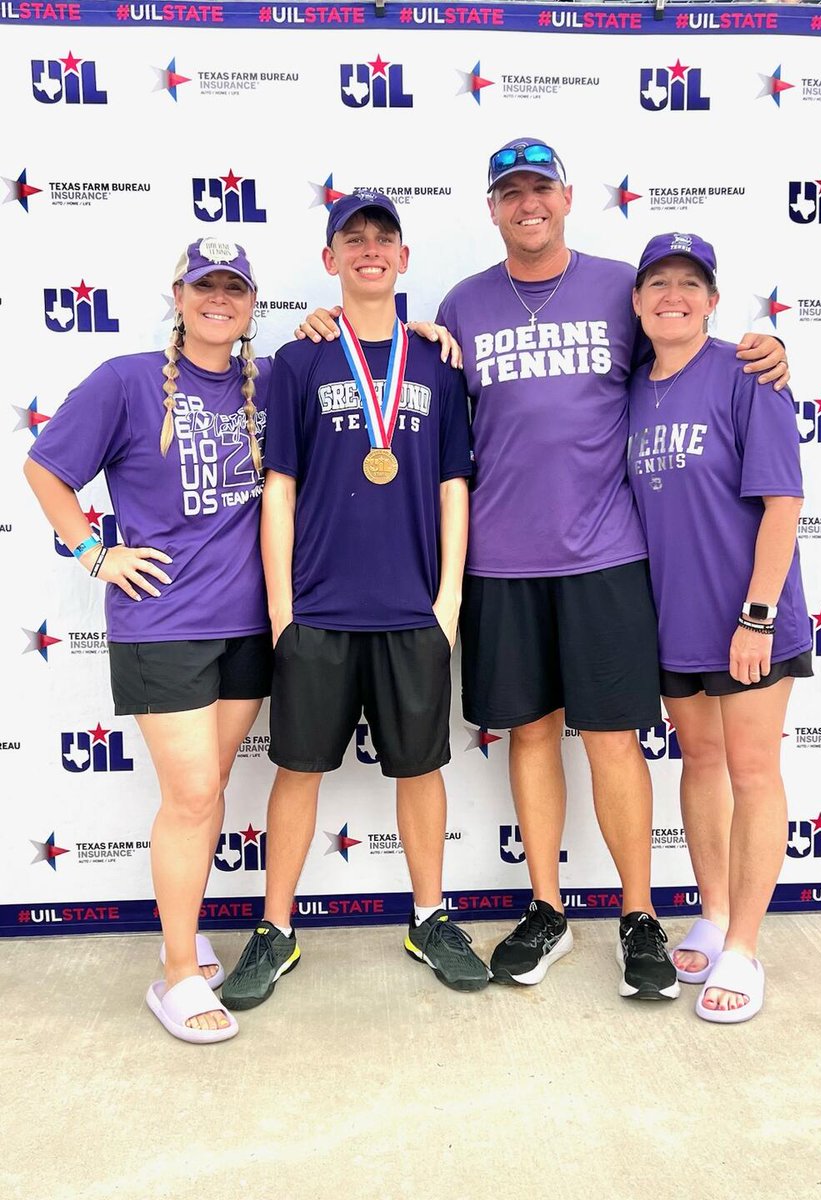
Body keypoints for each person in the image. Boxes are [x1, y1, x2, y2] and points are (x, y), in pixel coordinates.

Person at [297, 139, 789, 1002]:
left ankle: (638, 915)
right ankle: (549, 909)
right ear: (492, 209)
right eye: (510, 193)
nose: (527, 204)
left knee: (609, 738)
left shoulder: (620, 292)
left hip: (606, 554)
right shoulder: (461, 304)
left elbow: (688, 357)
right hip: (500, 561)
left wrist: (769, 352)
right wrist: (318, 326)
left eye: (541, 189)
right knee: (531, 734)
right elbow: (401, 369)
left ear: (567, 197)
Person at [220, 190, 489, 1010]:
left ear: (404, 261)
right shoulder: (299, 360)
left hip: (412, 613)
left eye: (385, 238)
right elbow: (280, 490)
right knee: (297, 770)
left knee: (422, 769)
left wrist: (446, 605)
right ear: (331, 259)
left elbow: (453, 489)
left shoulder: (437, 361)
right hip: (319, 613)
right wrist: (281, 611)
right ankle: (276, 929)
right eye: (353, 238)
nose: (370, 249)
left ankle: (430, 916)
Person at [23, 239, 272, 1043]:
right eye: (206, 286)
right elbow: (45, 469)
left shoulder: (262, 384)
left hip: (246, 623)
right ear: (179, 294)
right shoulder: (127, 380)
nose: (219, 299)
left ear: (250, 304)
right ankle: (173, 975)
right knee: (194, 794)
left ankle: (185, 931)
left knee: (209, 788)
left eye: (234, 288)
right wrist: (93, 551)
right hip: (162, 624)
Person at [628, 232, 811, 1022]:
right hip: (673, 623)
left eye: (689, 283)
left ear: (711, 299)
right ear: (636, 303)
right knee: (698, 763)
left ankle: (745, 946)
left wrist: (757, 617)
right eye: (658, 283)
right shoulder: (632, 389)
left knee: (751, 772)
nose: (673, 295)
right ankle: (710, 910)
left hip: (751, 623)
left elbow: (783, 503)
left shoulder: (747, 374)